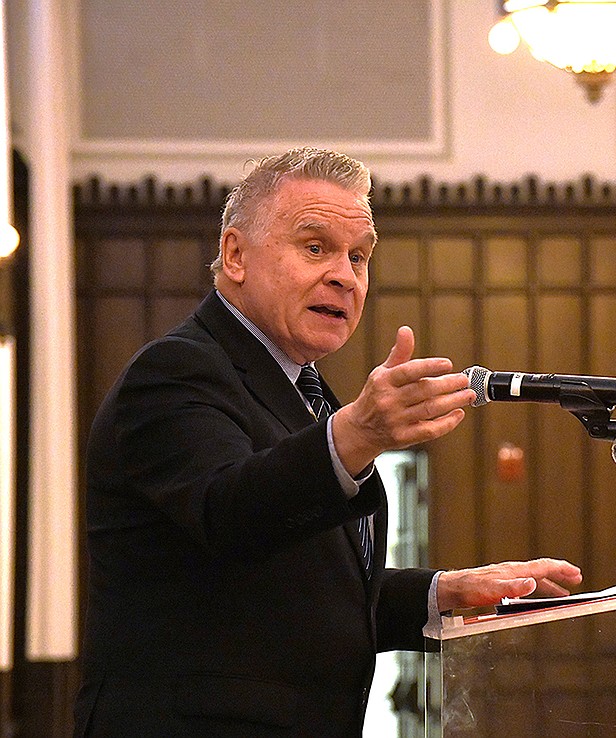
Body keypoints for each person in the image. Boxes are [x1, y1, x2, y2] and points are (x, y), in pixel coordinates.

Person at [73, 147, 582, 736]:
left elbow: (301, 587)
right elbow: (231, 514)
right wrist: (355, 436)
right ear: (236, 255)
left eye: (359, 257)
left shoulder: (306, 391)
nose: (345, 275)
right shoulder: (175, 373)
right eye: (316, 248)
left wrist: (443, 593)